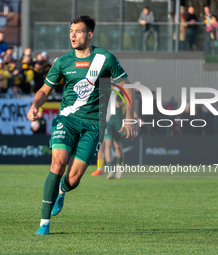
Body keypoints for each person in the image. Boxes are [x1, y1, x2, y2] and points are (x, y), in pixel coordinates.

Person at [27, 15, 136, 235]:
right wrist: (35, 104)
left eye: (78, 31)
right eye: (71, 31)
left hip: (94, 125)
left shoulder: (105, 58)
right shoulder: (62, 61)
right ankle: (44, 224)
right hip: (67, 119)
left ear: (89, 34)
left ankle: (61, 190)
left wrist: (129, 117)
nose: (73, 35)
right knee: (58, 164)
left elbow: (128, 87)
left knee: (73, 178)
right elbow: (44, 90)